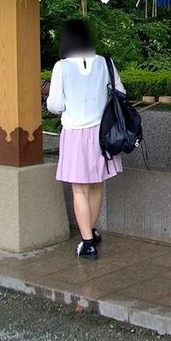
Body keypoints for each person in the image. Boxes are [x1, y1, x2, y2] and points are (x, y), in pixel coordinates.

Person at [45, 19, 124, 260]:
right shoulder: (104, 62)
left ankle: (87, 243)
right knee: (97, 184)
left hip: (75, 133)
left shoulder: (62, 67)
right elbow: (121, 92)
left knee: (79, 189)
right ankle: (91, 231)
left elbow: (55, 104)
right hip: (101, 132)